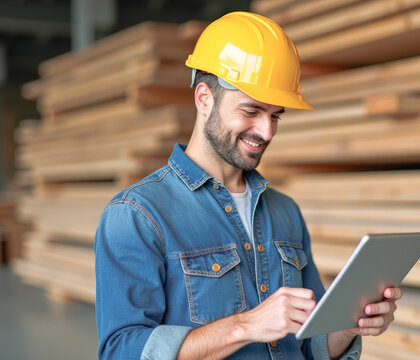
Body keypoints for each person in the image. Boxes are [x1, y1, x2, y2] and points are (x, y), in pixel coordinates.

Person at [94, 11, 400, 360]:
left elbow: (308, 344)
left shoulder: (285, 213)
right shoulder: (137, 216)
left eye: (275, 115)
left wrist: (349, 325)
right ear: (204, 98)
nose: (266, 132)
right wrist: (246, 326)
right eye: (251, 111)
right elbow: (122, 352)